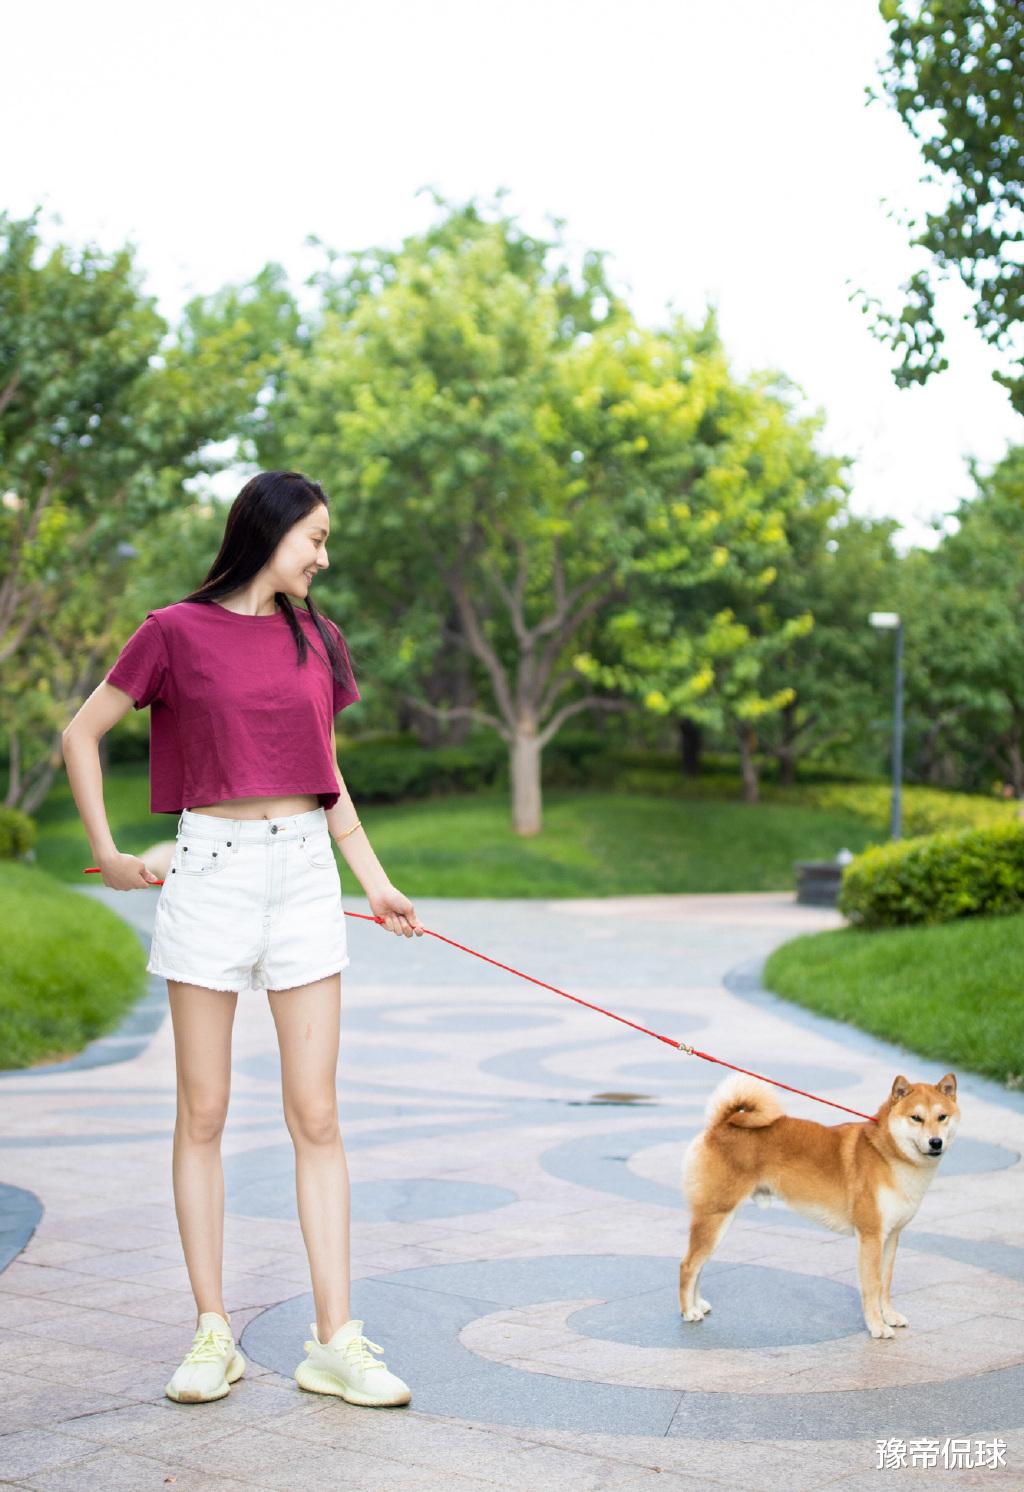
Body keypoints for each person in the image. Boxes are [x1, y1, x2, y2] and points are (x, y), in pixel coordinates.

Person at [61, 470, 423, 1409]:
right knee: (205, 1113)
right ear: (269, 533)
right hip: (209, 874)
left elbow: (326, 775)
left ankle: (334, 1339)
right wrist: (107, 850)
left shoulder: (319, 639)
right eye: (316, 538)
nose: (324, 556)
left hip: (303, 875)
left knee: (318, 1115)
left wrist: (374, 880)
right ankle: (212, 1332)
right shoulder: (173, 632)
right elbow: (82, 733)